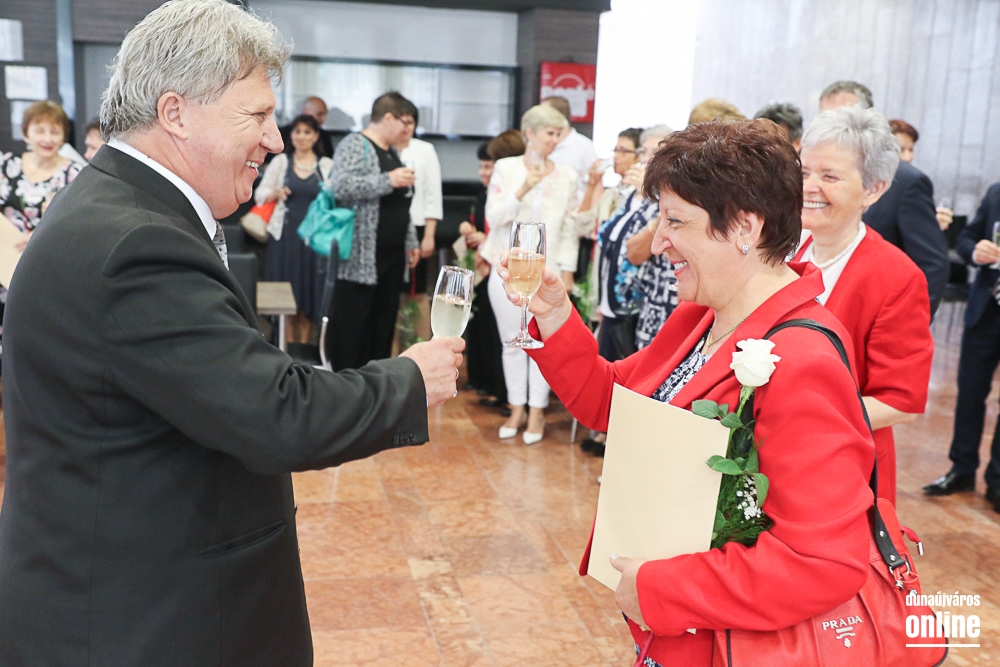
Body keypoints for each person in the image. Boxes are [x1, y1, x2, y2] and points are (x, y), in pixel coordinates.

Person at [0, 2, 463, 665]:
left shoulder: (118, 204)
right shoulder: (136, 243)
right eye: (256, 115)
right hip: (144, 617)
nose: (273, 139)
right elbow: (276, 412)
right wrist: (410, 378)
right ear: (176, 112)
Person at [494, 119, 874, 665]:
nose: (659, 241)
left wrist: (662, 589)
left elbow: (822, 563)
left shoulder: (803, 360)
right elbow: (612, 402)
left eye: (675, 220)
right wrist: (555, 316)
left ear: (744, 227)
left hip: (728, 644)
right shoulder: (702, 315)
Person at [795, 105, 934, 503]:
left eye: (829, 176)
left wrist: (798, 422)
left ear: (873, 190)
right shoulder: (782, 252)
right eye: (804, 173)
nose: (809, 187)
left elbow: (900, 402)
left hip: (841, 466)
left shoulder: (896, 277)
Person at [480, 105, 580, 444]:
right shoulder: (506, 168)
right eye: (550, 133)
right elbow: (493, 217)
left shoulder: (567, 175)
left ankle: (537, 411)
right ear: (530, 133)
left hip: (546, 271)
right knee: (512, 340)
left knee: (541, 341)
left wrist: (568, 270)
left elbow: (569, 229)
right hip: (506, 267)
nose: (554, 140)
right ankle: (516, 408)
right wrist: (522, 188)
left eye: (558, 135)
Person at [818, 81, 949, 315]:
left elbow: (932, 264)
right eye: (825, 119)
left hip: (874, 312)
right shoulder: (812, 177)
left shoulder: (905, 181)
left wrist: (907, 322)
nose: (832, 130)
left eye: (843, 120)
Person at [328, 91, 421, 371]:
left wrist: (411, 240)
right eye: (404, 122)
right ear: (388, 118)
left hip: (391, 257)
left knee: (382, 329)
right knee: (354, 331)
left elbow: (399, 203)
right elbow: (340, 186)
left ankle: (377, 388)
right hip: (361, 258)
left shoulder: (392, 151)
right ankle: (347, 388)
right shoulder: (356, 144)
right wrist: (388, 179)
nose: (407, 130)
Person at [923, 182, 1000, 508]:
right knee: (969, 394)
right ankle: (962, 469)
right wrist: (975, 252)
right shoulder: (996, 192)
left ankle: (997, 480)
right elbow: (967, 238)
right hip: (986, 310)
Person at [255, 113, 331, 343]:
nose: (302, 137)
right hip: (284, 238)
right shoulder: (281, 162)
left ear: (316, 136)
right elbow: (259, 194)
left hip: (314, 241)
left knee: (309, 298)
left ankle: (304, 349)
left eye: (307, 132)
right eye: (298, 131)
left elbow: (336, 200)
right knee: (284, 300)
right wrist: (274, 193)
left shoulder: (326, 165)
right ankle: (284, 349)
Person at [624, 125, 679, 351]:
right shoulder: (635, 197)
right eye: (643, 152)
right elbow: (632, 252)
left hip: (677, 293)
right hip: (650, 297)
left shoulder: (678, 195)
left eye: (654, 153)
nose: (647, 159)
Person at [0, 101, 82, 247]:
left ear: (64, 137)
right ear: (26, 134)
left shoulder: (74, 173)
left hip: (49, 250)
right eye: (40, 131)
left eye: (55, 132)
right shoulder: (8, 164)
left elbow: (80, 222)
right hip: (7, 249)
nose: (47, 139)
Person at [396, 109, 443, 340]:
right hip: (392, 228)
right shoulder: (384, 148)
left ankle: (422, 343)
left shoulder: (425, 150)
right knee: (392, 295)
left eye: (410, 122)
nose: (405, 127)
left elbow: (433, 195)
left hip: (417, 225)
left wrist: (429, 235)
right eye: (402, 122)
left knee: (416, 292)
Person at [542, 95, 597, 197]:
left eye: (543, 114)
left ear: (558, 115)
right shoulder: (541, 143)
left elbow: (594, 183)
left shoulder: (584, 146)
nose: (538, 118)